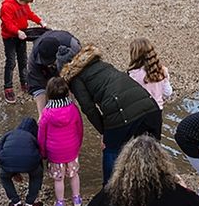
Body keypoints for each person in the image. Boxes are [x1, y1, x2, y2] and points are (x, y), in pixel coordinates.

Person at [62, 46, 162, 183]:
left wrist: (104, 131)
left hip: (121, 112)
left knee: (111, 149)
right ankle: (153, 183)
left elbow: (88, 108)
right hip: (151, 107)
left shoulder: (75, 78)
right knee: (151, 149)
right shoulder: (102, 64)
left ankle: (109, 190)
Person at [37, 75, 83, 206]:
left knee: (58, 179)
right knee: (74, 174)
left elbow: (41, 136)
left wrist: (43, 152)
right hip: (72, 149)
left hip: (55, 154)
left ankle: (60, 203)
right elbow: (80, 129)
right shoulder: (73, 109)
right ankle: (77, 198)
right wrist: (78, 145)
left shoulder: (46, 113)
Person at [0, 0, 44, 104]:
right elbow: (7, 23)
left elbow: (29, 14)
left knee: (23, 59)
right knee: (11, 61)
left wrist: (40, 21)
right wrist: (17, 31)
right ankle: (8, 87)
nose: (27, 5)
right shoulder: (7, 6)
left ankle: (24, 81)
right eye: (26, 2)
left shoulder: (23, 4)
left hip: (22, 35)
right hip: (10, 37)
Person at [25, 29, 81, 110]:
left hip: (68, 58)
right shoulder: (34, 59)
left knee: (71, 84)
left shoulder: (73, 48)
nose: (48, 65)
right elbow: (37, 86)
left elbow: (75, 79)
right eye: (46, 63)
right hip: (45, 67)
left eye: (50, 62)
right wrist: (42, 115)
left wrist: (73, 109)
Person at [0, 115, 44, 206]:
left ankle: (15, 203)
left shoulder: (9, 134)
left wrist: (13, 172)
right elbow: (40, 154)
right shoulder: (32, 137)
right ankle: (30, 203)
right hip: (30, 162)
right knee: (36, 175)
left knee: (4, 176)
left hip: (8, 162)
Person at [128, 38, 173, 109]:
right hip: (157, 109)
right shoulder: (162, 70)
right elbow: (168, 93)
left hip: (141, 110)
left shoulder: (133, 75)